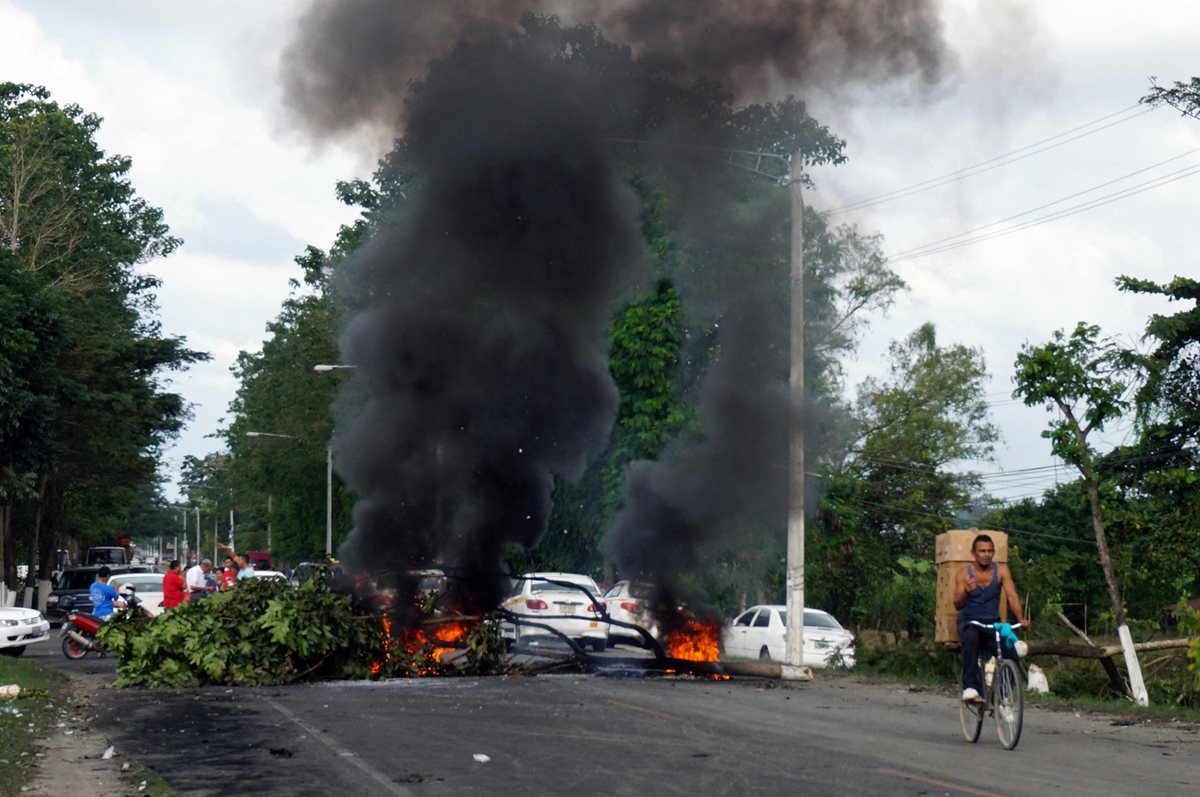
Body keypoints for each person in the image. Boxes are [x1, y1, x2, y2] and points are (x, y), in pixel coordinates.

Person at [953, 534, 1030, 702]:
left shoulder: (1001, 570)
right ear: (973, 553)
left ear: (993, 552)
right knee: (971, 639)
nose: (986, 554)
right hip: (970, 622)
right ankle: (970, 688)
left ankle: (1000, 698)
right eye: (982, 551)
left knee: (1011, 655)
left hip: (991, 625)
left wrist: (1020, 618)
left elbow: (1012, 596)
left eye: (989, 551)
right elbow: (957, 604)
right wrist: (966, 591)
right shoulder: (963, 573)